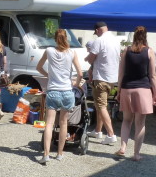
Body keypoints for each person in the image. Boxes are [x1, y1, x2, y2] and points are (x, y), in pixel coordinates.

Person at [36, 28, 83, 164]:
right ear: (66, 38)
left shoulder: (49, 51)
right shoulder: (72, 53)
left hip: (53, 91)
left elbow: (39, 67)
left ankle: (46, 154)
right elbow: (80, 73)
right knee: (63, 123)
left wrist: (48, 75)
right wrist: (76, 85)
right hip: (67, 91)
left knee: (49, 124)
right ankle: (60, 154)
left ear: (55, 39)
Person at [114, 26, 156, 161]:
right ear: (145, 36)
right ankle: (136, 154)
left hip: (127, 89)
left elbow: (121, 74)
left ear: (133, 36)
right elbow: (152, 76)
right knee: (140, 123)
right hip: (143, 90)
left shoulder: (126, 51)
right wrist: (155, 94)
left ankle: (122, 147)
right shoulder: (149, 52)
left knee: (127, 120)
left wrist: (118, 91)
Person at [86, 21, 120, 146]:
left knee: (101, 106)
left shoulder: (99, 41)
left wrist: (88, 58)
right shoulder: (116, 40)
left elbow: (91, 59)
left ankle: (111, 134)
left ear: (97, 30)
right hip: (112, 79)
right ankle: (98, 131)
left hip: (101, 78)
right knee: (100, 105)